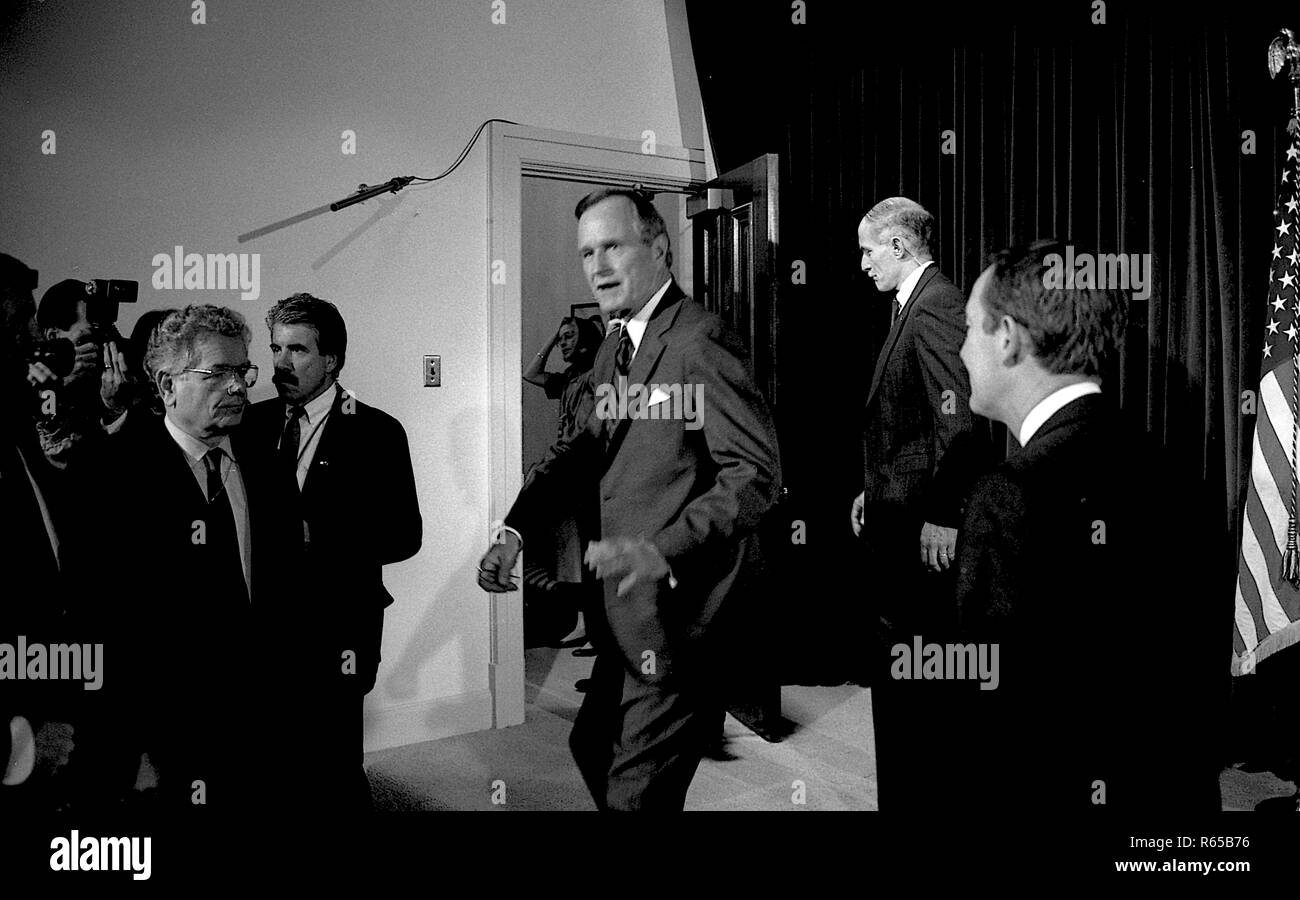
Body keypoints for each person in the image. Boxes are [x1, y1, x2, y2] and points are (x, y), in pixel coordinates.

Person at [478, 187, 782, 810]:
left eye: (612, 246)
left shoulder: (699, 341)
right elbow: (581, 454)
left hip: (681, 616)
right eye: (587, 252)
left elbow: (754, 475)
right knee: (592, 748)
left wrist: (660, 548)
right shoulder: (617, 347)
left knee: (634, 795)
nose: (597, 266)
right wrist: (514, 531)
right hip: (620, 612)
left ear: (659, 246)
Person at [951, 239, 1223, 811]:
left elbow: (998, 725)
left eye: (970, 328)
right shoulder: (1171, 466)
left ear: (1007, 339)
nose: (961, 349)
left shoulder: (1008, 496)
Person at [81, 304, 302, 812]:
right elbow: (102, 619)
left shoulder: (266, 463)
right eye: (217, 373)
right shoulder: (116, 475)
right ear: (166, 385)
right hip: (165, 726)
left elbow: (287, 586)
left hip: (259, 712)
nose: (238, 387)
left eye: (242, 371)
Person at [242, 292, 421, 812]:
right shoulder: (250, 425)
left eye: (296, 350)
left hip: (340, 625)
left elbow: (405, 536)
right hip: (265, 622)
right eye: (275, 348)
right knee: (271, 762)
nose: (280, 364)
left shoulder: (378, 432)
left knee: (335, 768)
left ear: (332, 359)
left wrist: (319, 538)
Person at [850, 197, 989, 809]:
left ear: (900, 247)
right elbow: (912, 426)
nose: (862, 264)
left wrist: (944, 514)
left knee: (919, 683)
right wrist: (874, 486)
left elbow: (959, 423)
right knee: (901, 676)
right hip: (899, 513)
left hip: (923, 531)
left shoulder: (936, 308)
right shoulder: (913, 305)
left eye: (868, 250)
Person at [522, 315, 605, 656]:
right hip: (569, 473)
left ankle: (598, 632)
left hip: (583, 476)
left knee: (588, 553)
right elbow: (531, 374)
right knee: (574, 553)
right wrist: (552, 339)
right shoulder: (569, 376)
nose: (564, 344)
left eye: (570, 337)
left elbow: (583, 434)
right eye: (562, 338)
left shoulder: (592, 377)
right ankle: (590, 627)